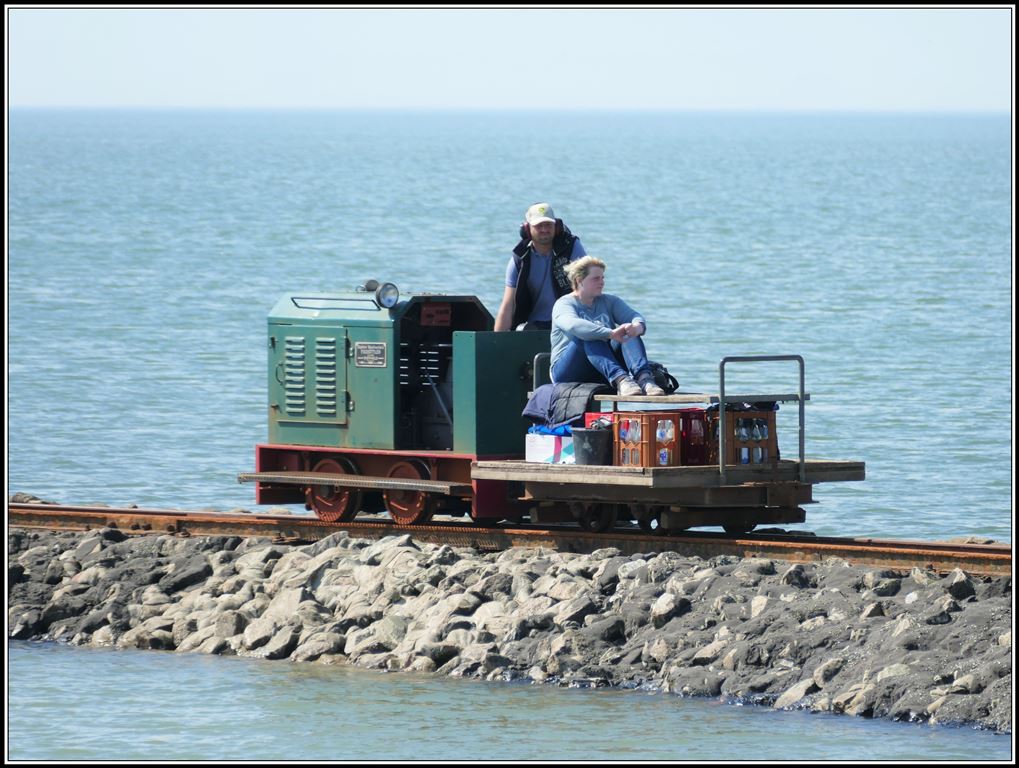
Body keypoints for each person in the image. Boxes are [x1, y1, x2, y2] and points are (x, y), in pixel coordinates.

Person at [549, 256, 667, 397]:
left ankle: (644, 379)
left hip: (602, 369)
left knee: (627, 331)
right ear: (579, 280)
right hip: (567, 372)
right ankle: (621, 379)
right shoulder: (564, 304)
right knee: (588, 336)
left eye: (602, 278)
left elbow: (634, 316)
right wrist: (610, 333)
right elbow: (574, 326)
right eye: (596, 279)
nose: (602, 282)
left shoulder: (609, 301)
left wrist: (637, 327)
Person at [494, 202, 587, 331]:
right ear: (527, 229)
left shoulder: (571, 247)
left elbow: (588, 287)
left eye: (548, 225)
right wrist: (497, 340)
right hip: (533, 327)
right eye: (539, 226)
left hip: (569, 322)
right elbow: (508, 304)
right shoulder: (519, 258)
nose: (544, 230)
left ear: (556, 226)